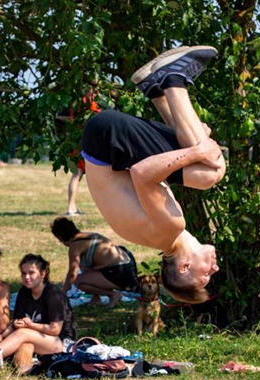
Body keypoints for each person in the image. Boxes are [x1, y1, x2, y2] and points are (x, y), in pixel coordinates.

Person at [80, 46, 226, 304]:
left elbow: (142, 172)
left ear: (184, 267)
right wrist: (193, 142)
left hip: (107, 140)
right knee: (198, 158)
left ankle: (173, 78)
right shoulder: (160, 237)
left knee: (210, 171)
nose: (213, 270)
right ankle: (155, 89)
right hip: (105, 147)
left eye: (205, 276)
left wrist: (197, 150)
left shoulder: (170, 227)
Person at [0, 254, 76, 373]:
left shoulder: (54, 294)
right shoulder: (24, 291)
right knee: (17, 338)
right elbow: (17, 320)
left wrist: (29, 325)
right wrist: (18, 323)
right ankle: (24, 368)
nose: (27, 277)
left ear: (42, 274)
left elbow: (55, 329)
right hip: (36, 337)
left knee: (22, 334)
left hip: (61, 342)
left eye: (31, 273)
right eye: (23, 273)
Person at [51, 217, 138, 308]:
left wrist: (63, 292)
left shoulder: (75, 245)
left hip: (120, 274)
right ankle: (96, 298)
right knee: (86, 268)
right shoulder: (90, 235)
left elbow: (72, 274)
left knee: (79, 282)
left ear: (60, 237)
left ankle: (112, 295)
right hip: (127, 270)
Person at [55, 89, 102, 216]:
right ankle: (71, 208)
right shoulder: (90, 105)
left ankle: (72, 207)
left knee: (78, 176)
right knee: (80, 176)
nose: (96, 94)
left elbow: (60, 118)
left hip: (78, 144)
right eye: (94, 91)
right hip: (86, 145)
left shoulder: (74, 105)